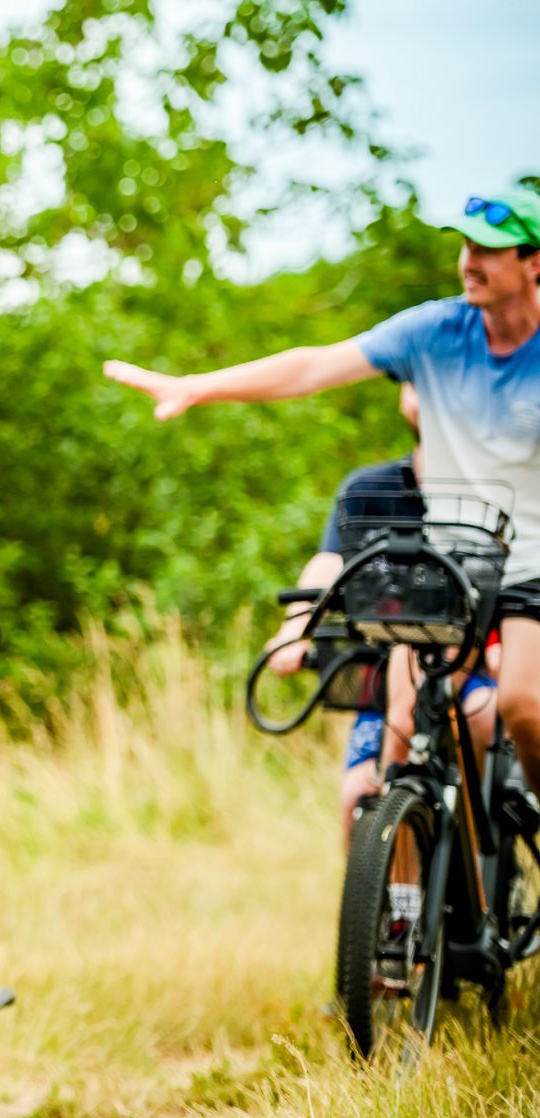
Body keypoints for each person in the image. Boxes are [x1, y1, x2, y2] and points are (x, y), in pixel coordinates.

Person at [107, 185, 540, 818]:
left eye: (491, 252)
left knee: (522, 704)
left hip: (530, 560)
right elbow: (314, 366)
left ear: (534, 263)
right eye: (466, 246)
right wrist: (197, 388)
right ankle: (406, 895)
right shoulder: (436, 330)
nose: (470, 261)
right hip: (452, 560)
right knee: (405, 716)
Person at [264, 385, 495, 849]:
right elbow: (331, 562)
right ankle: (394, 909)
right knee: (356, 797)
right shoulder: (370, 489)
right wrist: (294, 629)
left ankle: (482, 879)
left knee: (481, 716)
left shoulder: (496, 492)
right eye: (418, 379)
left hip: (475, 673)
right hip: (386, 674)